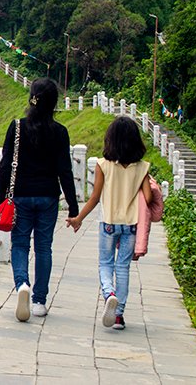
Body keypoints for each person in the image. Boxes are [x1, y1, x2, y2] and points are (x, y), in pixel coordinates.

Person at [0, 78, 79, 322]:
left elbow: (4, 165)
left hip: (20, 196)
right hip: (48, 197)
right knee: (44, 247)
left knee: (20, 244)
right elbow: (65, 171)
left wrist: (1, 201)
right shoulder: (60, 132)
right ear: (54, 103)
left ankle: (22, 284)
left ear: (31, 98)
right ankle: (40, 301)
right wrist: (73, 208)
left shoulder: (17, 127)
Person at [66, 116, 152, 330]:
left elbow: (94, 197)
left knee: (106, 263)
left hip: (108, 223)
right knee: (123, 267)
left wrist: (78, 219)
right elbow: (148, 199)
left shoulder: (103, 166)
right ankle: (119, 316)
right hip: (131, 225)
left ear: (110, 140)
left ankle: (109, 294)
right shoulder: (142, 167)